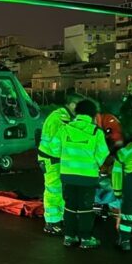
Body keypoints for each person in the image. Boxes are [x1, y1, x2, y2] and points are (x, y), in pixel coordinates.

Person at [49, 98, 110, 249]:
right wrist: (93, 162)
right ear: (92, 114)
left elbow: (54, 148)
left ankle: (69, 237)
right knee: (85, 208)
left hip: (68, 175)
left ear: (77, 112)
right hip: (88, 177)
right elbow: (103, 153)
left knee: (69, 206)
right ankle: (86, 239)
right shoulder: (96, 132)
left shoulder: (65, 129)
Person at [36, 92, 83, 235]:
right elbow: (59, 144)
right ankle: (51, 223)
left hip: (53, 159)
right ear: (73, 105)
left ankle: (60, 219)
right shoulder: (60, 119)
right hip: (52, 159)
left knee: (59, 190)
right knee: (53, 190)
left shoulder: (62, 116)